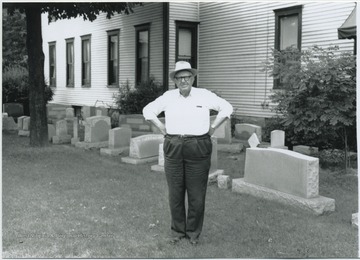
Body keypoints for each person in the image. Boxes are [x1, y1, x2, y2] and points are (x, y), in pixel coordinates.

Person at [142, 61, 233, 245]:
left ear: (193, 78)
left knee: (196, 194)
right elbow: (147, 110)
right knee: (175, 193)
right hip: (174, 145)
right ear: (175, 80)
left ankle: (193, 234)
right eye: (179, 77)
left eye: (187, 77)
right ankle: (177, 232)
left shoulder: (204, 95)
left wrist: (213, 127)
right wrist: (161, 127)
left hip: (198, 146)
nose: (183, 81)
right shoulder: (168, 97)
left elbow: (227, 108)